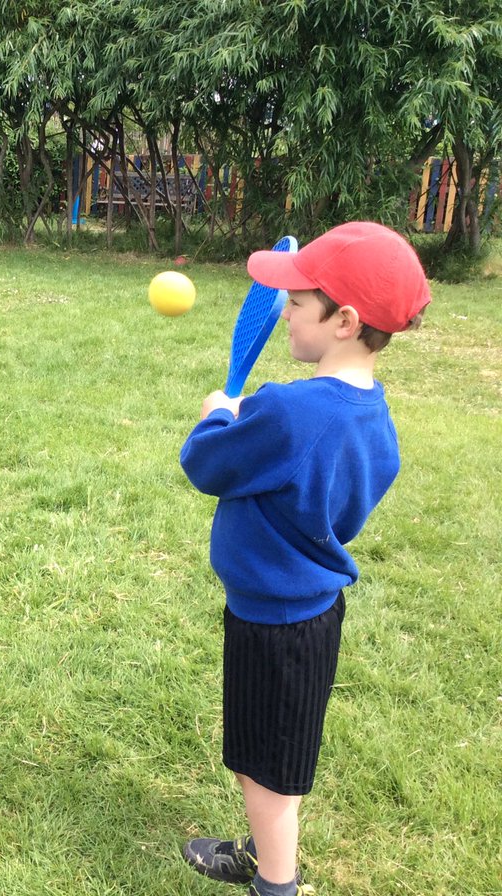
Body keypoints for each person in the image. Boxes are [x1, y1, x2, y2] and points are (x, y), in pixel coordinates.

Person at [177, 222, 430, 896]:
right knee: (272, 755)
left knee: (266, 771)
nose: (284, 312)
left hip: (272, 622)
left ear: (344, 320)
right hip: (309, 613)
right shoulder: (372, 418)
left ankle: (274, 884)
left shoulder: (289, 411)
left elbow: (206, 464)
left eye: (296, 302)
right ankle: (264, 853)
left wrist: (217, 414)